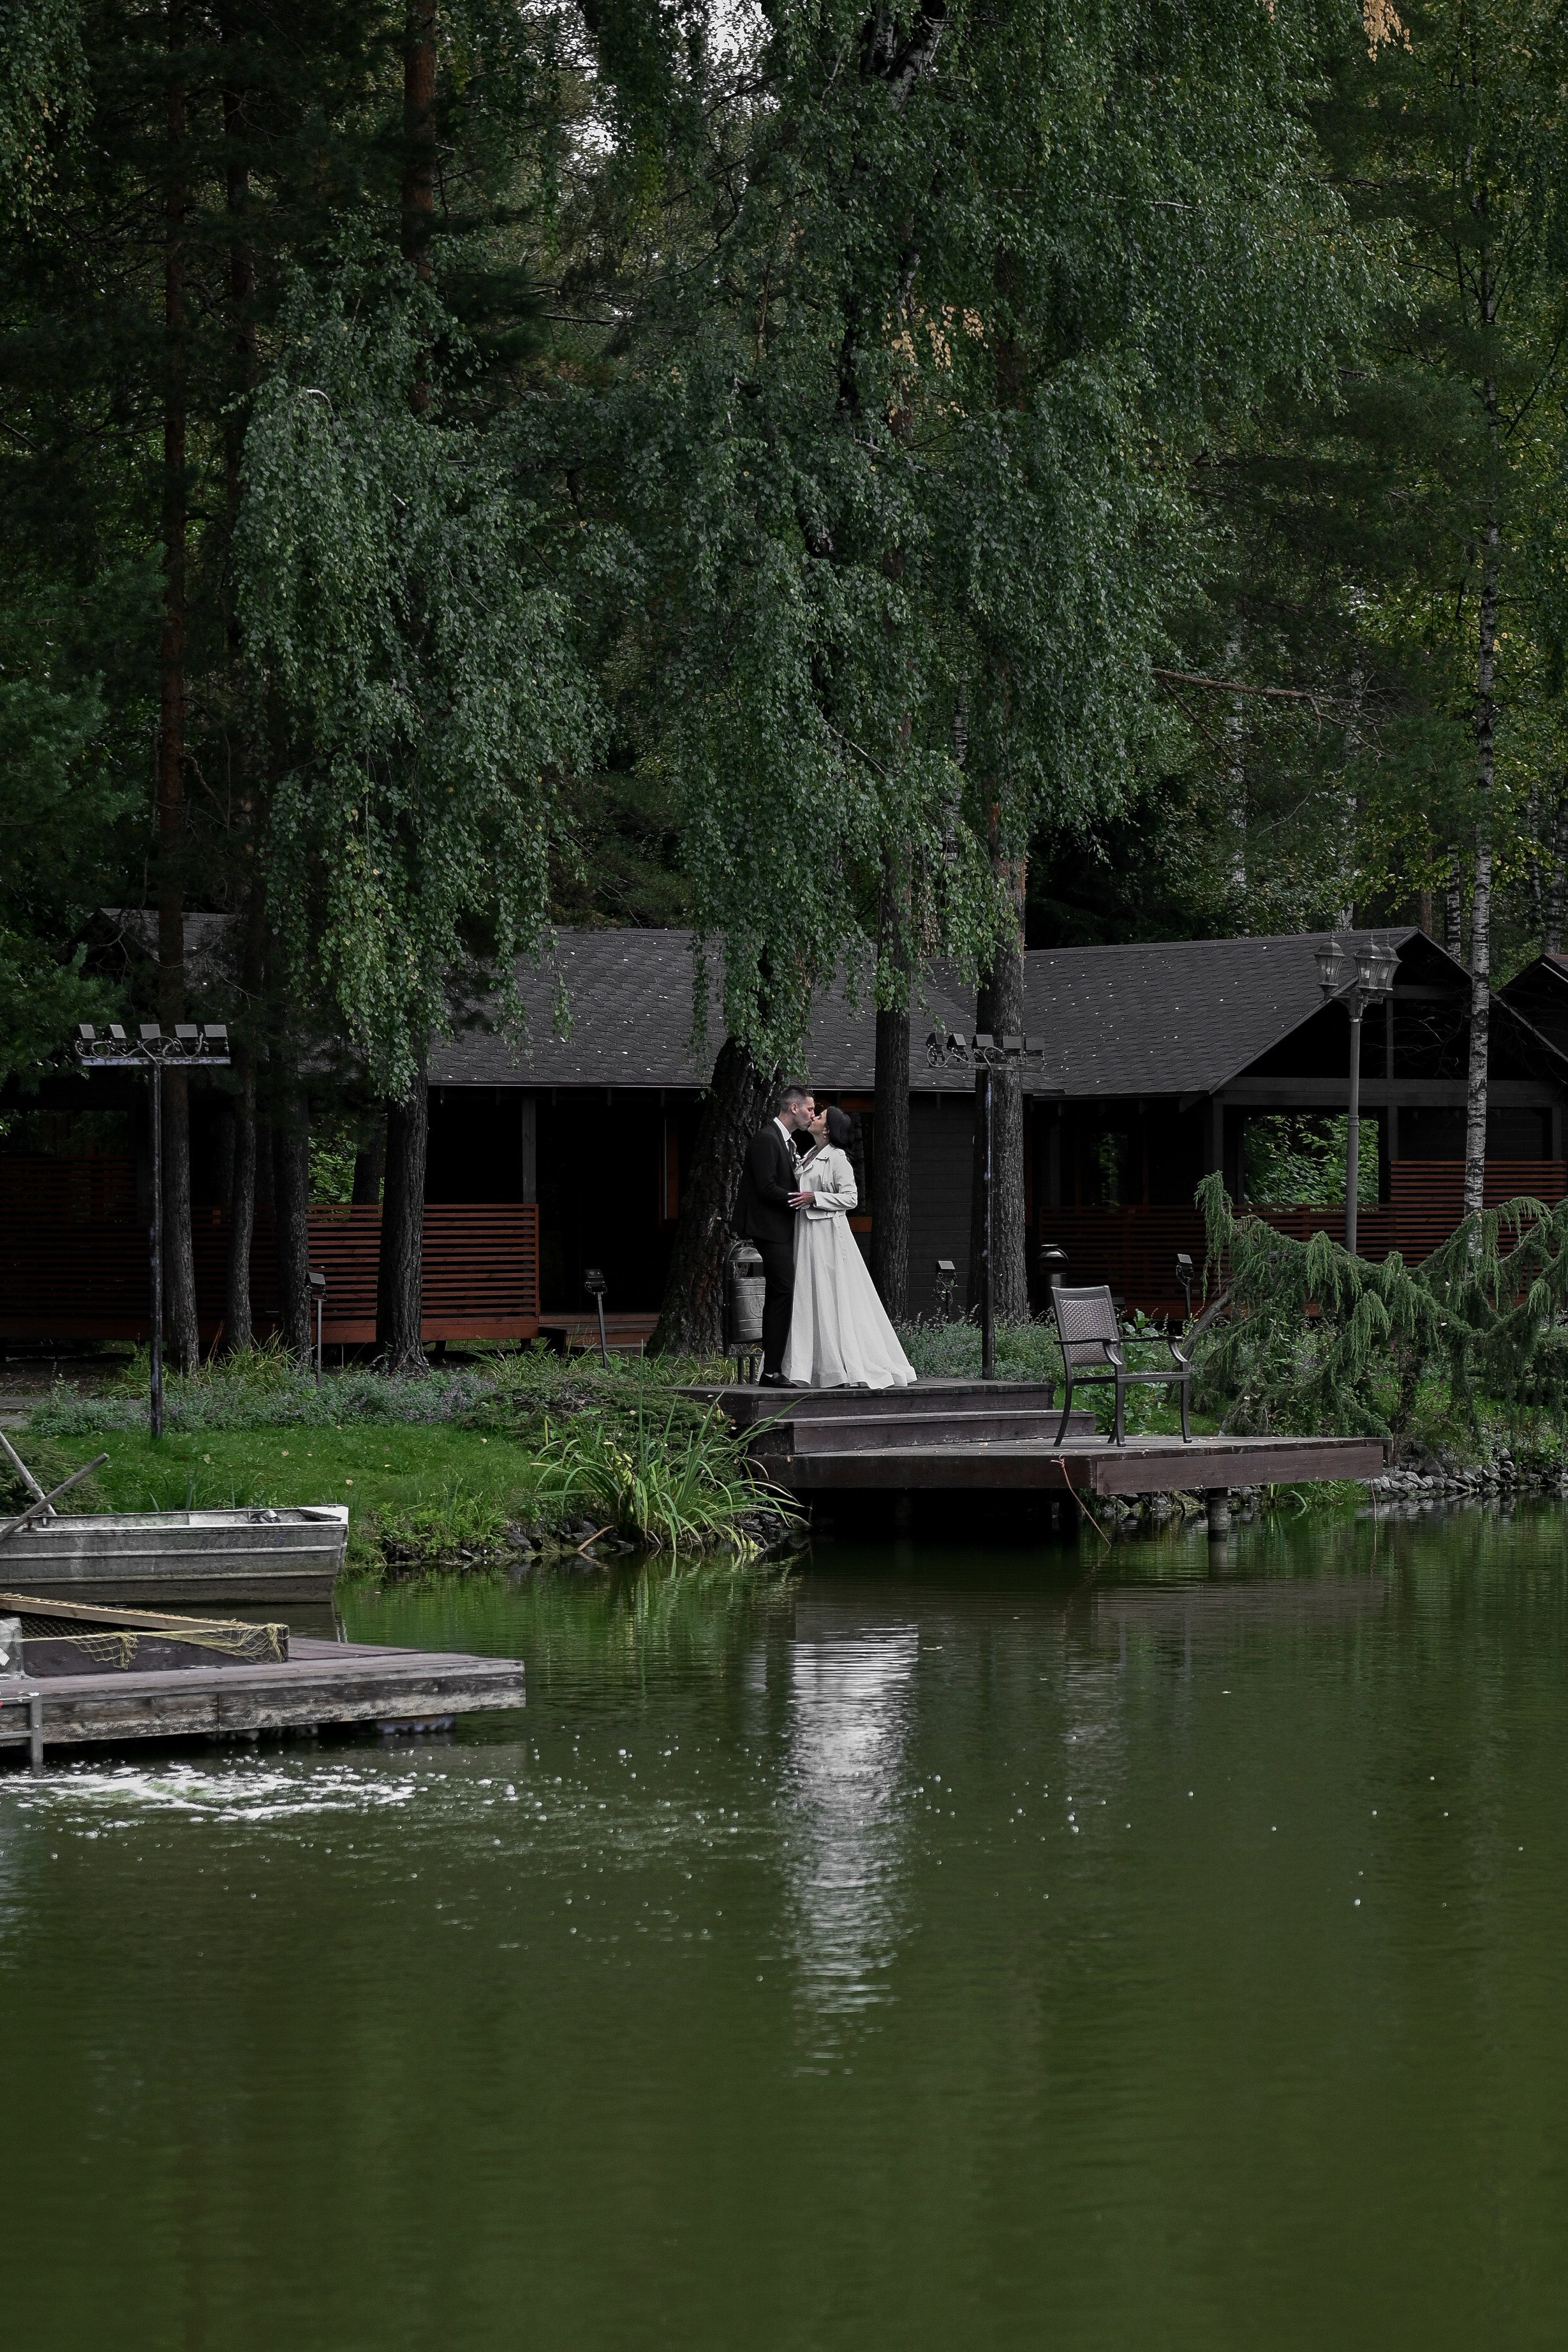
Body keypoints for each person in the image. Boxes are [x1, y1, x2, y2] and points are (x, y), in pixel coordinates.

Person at [783, 1106, 916, 1389]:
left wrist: (815, 1197)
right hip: (806, 1233)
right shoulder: (809, 1154)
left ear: (829, 1128)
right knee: (808, 1294)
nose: (814, 1117)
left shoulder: (837, 1158)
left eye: (819, 1116)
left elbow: (851, 1198)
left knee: (833, 1292)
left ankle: (844, 1365)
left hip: (828, 1235)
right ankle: (810, 1366)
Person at [734, 1083, 817, 1386]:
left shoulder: (786, 1142)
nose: (812, 1114)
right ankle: (771, 1371)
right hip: (768, 1228)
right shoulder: (767, 1139)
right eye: (809, 1109)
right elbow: (766, 1188)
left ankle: (772, 1368)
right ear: (793, 1108)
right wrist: (801, 1199)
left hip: (779, 1226)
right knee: (782, 1292)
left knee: (780, 1293)